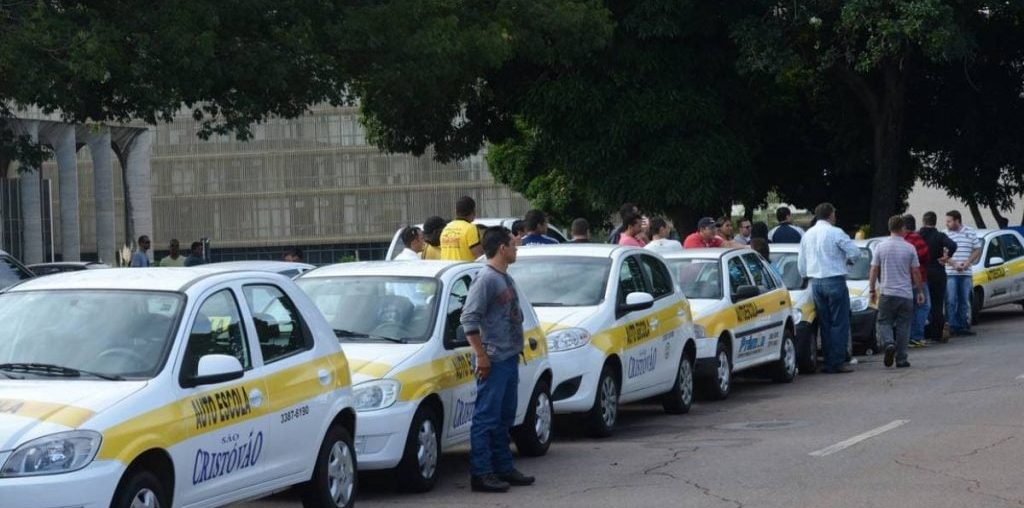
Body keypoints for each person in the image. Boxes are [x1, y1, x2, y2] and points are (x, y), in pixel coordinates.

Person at [460, 227, 534, 493]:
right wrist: (481, 355)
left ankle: (503, 467)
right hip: (494, 359)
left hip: (509, 356)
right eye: (513, 245)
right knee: (486, 418)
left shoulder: (505, 278)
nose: (516, 249)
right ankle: (481, 473)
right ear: (502, 248)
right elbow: (469, 319)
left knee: (504, 417)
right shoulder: (486, 280)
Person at [798, 203, 861, 373]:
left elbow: (801, 264)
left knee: (824, 323)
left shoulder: (807, 235)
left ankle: (828, 360)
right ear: (829, 215)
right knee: (839, 322)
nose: (835, 216)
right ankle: (837, 361)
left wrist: (807, 275)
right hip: (835, 280)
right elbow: (855, 252)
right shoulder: (836, 232)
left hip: (816, 282)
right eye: (834, 214)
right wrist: (848, 262)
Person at [870, 215, 926, 368]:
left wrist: (871, 289)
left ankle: (888, 343)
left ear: (889, 228)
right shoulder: (909, 248)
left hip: (887, 292)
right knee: (904, 326)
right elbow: (915, 271)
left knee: (884, 321)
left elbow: (874, 269)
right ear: (902, 229)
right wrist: (920, 291)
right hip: (905, 294)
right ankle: (901, 358)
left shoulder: (880, 247)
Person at [918, 211, 958, 341]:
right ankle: (937, 332)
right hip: (938, 272)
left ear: (924, 222)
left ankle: (922, 332)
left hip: (922, 272)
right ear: (935, 222)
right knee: (937, 304)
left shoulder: (918, 235)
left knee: (922, 304)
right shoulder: (939, 236)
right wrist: (947, 257)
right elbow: (952, 245)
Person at [944, 210, 981, 336]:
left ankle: (962, 326)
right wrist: (953, 263)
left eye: (949, 221)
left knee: (964, 300)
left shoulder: (970, 232)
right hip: (950, 273)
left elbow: (977, 249)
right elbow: (942, 254)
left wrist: (968, 262)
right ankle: (952, 326)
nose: (947, 223)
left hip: (966, 273)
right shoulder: (945, 234)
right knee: (951, 300)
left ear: (957, 220)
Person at [901, 215, 931, 347]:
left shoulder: (898, 240)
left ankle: (905, 338)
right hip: (919, 277)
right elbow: (925, 256)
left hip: (902, 279)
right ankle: (916, 336)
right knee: (923, 306)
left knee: (908, 309)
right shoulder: (915, 238)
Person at [440, 196, 484, 261]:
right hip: (464, 269)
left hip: (447, 269)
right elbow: (479, 256)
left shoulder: (446, 228)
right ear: (473, 211)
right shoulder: (470, 228)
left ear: (456, 211)